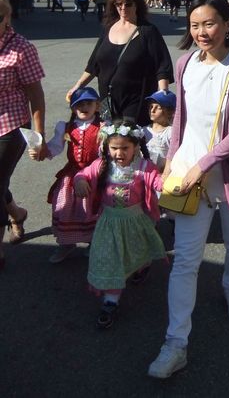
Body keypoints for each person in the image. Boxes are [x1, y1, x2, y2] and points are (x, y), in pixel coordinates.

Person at [148, 0, 229, 379]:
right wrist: (171, 165)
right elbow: (181, 118)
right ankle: (175, 343)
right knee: (185, 260)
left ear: (228, 24)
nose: (201, 32)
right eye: (195, 25)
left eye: (210, 24)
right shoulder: (185, 64)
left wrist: (202, 165)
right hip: (188, 175)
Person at [73, 120, 166, 328]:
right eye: (114, 148)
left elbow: (158, 182)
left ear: (135, 147)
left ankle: (142, 268)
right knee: (111, 260)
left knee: (136, 252)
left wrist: (169, 184)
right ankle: (110, 301)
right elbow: (83, 173)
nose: (119, 153)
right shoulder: (102, 165)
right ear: (107, 147)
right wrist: (80, 181)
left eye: (125, 148)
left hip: (135, 222)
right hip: (108, 224)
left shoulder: (143, 167)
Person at [66, 0, 173, 125]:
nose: (123, 8)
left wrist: (162, 95)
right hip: (106, 99)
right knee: (107, 135)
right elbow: (94, 65)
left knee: (129, 138)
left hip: (135, 100)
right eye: (118, 4)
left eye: (128, 4)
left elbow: (162, 66)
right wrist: (77, 86)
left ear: (137, 5)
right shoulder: (108, 28)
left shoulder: (148, 31)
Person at [0, 0, 48, 269]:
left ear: (7, 17)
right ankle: (16, 213)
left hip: (10, 124)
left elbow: (36, 96)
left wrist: (38, 137)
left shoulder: (21, 48)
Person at [36, 87, 101, 263]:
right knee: (64, 205)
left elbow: (105, 155)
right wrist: (42, 151)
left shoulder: (103, 128)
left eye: (89, 103)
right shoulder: (66, 127)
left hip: (94, 173)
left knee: (92, 208)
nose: (84, 106)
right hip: (71, 173)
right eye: (79, 104)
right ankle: (66, 243)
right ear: (73, 108)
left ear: (97, 106)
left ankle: (93, 242)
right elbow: (55, 147)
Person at [143, 90, 176, 172]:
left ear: (169, 112)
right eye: (151, 106)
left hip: (159, 175)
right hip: (143, 174)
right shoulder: (143, 130)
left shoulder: (171, 132)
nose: (152, 110)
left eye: (158, 107)